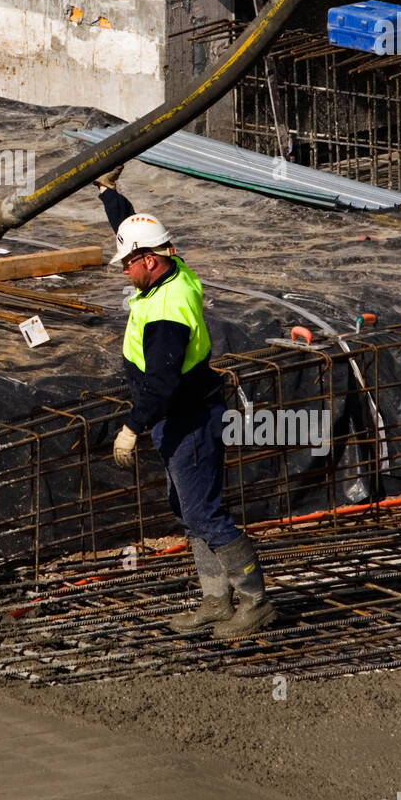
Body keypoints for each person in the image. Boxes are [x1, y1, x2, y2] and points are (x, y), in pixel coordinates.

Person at [95, 165, 277, 639]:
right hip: (178, 417)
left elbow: (161, 383)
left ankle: (255, 601)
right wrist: (108, 194)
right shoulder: (168, 267)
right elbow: (132, 229)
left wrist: (133, 427)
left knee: (204, 514)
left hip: (187, 418)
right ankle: (217, 600)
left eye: (127, 265)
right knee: (187, 509)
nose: (123, 271)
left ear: (149, 262)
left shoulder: (167, 311)